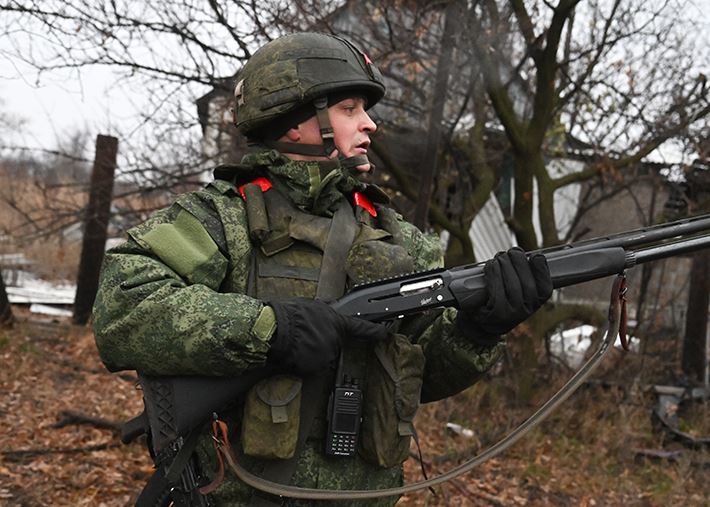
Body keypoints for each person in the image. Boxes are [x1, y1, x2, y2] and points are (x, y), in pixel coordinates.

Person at [93, 32, 552, 506]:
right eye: (350, 109)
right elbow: (124, 305)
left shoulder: (399, 237)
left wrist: (480, 329)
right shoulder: (221, 219)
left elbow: (424, 373)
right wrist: (270, 329)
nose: (370, 124)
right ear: (296, 121)